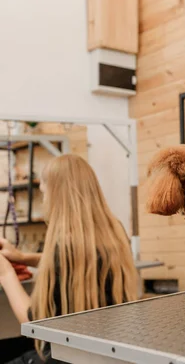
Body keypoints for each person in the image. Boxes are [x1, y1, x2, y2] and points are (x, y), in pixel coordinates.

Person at [0, 154, 138, 363]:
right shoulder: (114, 232)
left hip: (66, 357)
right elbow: (78, 258)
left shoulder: (62, 243)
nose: (45, 201)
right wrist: (21, 257)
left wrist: (6, 274)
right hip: (107, 355)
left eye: (44, 194)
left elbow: (34, 324)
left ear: (56, 195)